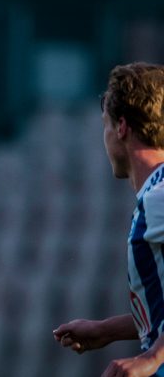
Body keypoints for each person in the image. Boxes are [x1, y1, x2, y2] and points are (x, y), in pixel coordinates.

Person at [54, 62, 164, 377]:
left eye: (105, 124)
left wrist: (151, 358)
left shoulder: (159, 198)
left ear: (122, 127)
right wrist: (107, 330)